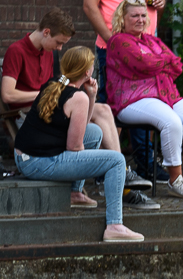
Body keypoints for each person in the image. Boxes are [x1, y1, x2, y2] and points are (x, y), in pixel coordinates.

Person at [12, 47, 142, 242]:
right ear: (88, 72)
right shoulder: (77, 97)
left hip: (24, 156)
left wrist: (91, 96)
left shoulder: (54, 83)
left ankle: (75, 192)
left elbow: (82, 126)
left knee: (95, 132)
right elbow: (74, 147)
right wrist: (89, 162)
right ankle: (114, 225)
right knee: (116, 160)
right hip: (38, 162)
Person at [82, 0, 166, 185]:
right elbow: (89, 6)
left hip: (144, 50)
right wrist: (112, 40)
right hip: (114, 50)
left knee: (143, 105)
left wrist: (160, 0)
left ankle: (145, 165)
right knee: (109, 105)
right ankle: (104, 168)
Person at [106, 0, 183, 200]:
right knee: (171, 122)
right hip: (132, 100)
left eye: (143, 15)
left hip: (165, 95)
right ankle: (175, 181)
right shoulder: (118, 41)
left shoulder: (151, 40)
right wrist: (162, 62)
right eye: (134, 16)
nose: (140, 19)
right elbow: (143, 63)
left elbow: (176, 64)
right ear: (122, 18)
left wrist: (157, 62)